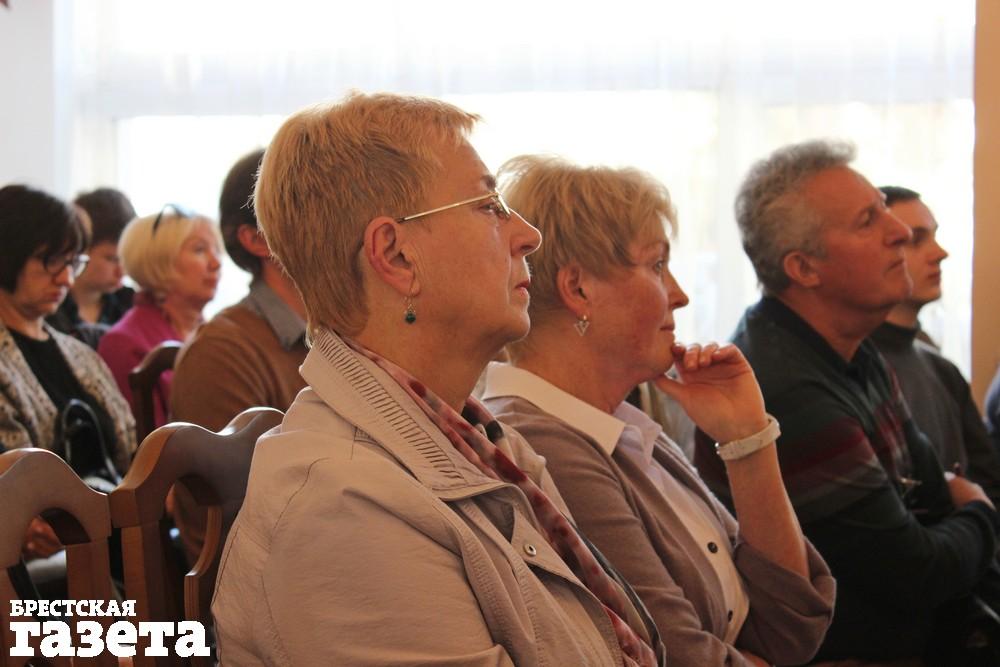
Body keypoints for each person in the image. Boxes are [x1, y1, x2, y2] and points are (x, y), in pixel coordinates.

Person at [212, 93, 665, 667]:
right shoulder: (344, 511)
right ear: (396, 256)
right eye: (489, 205)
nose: (528, 235)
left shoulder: (485, 440)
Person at [482, 155, 834, 667]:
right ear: (578, 288)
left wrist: (747, 439)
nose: (680, 295)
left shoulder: (624, 426)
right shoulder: (543, 442)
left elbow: (794, 627)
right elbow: (680, 657)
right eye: (657, 265)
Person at [695, 140, 1000, 663]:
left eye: (883, 208)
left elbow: (929, 493)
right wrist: (979, 510)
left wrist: (955, 516)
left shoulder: (850, 346)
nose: (898, 231)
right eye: (867, 220)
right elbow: (916, 573)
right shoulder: (782, 386)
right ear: (804, 268)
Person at [170, 148, 308, 563]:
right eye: (316, 207)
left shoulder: (341, 334)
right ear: (256, 239)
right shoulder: (221, 352)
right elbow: (231, 531)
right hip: (268, 583)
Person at [0, 184, 136, 560]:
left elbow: (130, 453)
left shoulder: (81, 353)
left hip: (106, 543)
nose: (65, 279)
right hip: (36, 562)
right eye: (50, 262)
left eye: (73, 263)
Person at [870, 186, 1000, 503]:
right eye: (915, 240)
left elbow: (989, 487)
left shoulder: (943, 370)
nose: (940, 253)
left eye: (934, 236)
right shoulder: (853, 367)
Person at [97, 206, 222, 429]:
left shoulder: (220, 334)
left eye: (217, 251)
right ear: (159, 261)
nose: (216, 263)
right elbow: (152, 445)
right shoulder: (123, 343)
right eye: (200, 250)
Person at [47, 187, 136, 348]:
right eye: (112, 259)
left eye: (126, 260)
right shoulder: (47, 305)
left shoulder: (131, 305)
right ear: (80, 249)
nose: (122, 271)